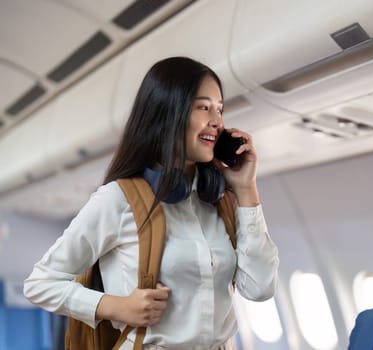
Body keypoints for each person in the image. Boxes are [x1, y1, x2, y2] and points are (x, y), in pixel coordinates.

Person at [24, 57, 279, 350]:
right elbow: (41, 283)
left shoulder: (218, 200)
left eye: (220, 109)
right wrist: (115, 306)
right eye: (203, 107)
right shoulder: (119, 199)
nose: (217, 122)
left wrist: (246, 190)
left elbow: (259, 289)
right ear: (168, 113)